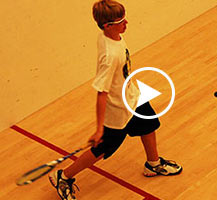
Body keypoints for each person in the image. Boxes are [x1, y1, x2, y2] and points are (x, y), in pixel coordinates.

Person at [49, 0, 182, 199]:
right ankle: (64, 176)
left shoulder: (110, 36)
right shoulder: (109, 56)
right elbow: (101, 93)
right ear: (107, 26)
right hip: (118, 110)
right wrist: (100, 128)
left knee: (149, 124)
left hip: (132, 97)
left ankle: (153, 164)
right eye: (121, 21)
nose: (126, 22)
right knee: (102, 149)